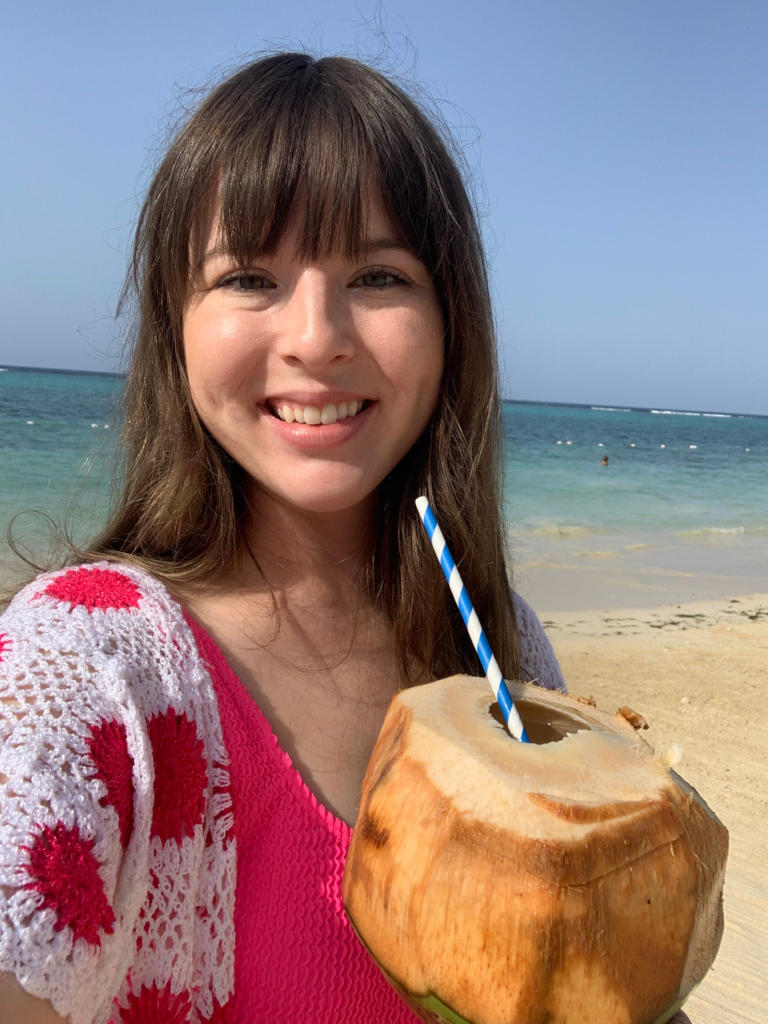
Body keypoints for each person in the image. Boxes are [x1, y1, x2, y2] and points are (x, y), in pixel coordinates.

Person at [0, 54, 691, 1024]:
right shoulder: (83, 668)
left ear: (452, 322)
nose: (318, 336)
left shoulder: (506, 645)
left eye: (378, 274)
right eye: (248, 276)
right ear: (177, 324)